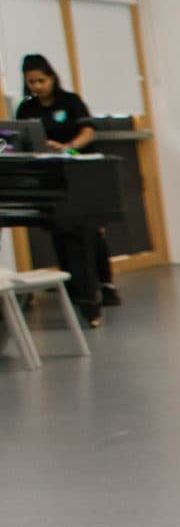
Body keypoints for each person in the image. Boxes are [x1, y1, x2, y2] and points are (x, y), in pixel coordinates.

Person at [13, 55, 114, 325]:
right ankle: (74, 288)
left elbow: (88, 132)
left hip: (80, 170)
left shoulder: (70, 101)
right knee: (62, 229)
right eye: (31, 82)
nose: (36, 86)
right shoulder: (26, 108)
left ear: (52, 78)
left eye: (41, 80)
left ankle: (103, 285)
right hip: (49, 174)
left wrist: (68, 147)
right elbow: (17, 138)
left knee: (89, 230)